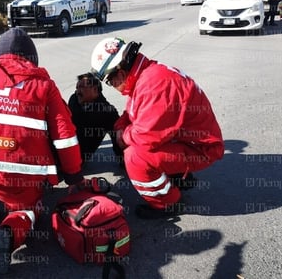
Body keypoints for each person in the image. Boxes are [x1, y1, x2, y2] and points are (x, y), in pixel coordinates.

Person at [0, 28, 83, 274]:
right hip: (19, 170)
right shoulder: (43, 85)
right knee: (27, 207)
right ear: (32, 59)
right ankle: (9, 233)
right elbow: (64, 136)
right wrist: (74, 175)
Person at [90, 37, 224, 220]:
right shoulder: (146, 75)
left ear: (119, 73)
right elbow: (133, 112)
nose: (112, 86)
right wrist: (121, 125)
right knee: (133, 140)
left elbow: (146, 135)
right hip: (185, 139)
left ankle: (168, 203)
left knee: (135, 156)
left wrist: (123, 136)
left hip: (200, 148)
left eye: (109, 81)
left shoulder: (154, 85)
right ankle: (178, 177)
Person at [68, 72, 123, 164]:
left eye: (81, 87)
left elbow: (116, 137)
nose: (78, 91)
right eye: (77, 87)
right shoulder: (74, 100)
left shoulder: (107, 112)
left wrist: (124, 161)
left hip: (77, 158)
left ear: (95, 89)